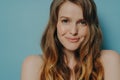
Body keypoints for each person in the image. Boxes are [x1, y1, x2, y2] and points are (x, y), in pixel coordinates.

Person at [21, 0, 120, 80]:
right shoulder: (34, 65)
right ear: (55, 25)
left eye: (82, 22)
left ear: (90, 27)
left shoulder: (109, 60)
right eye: (65, 21)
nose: (73, 31)